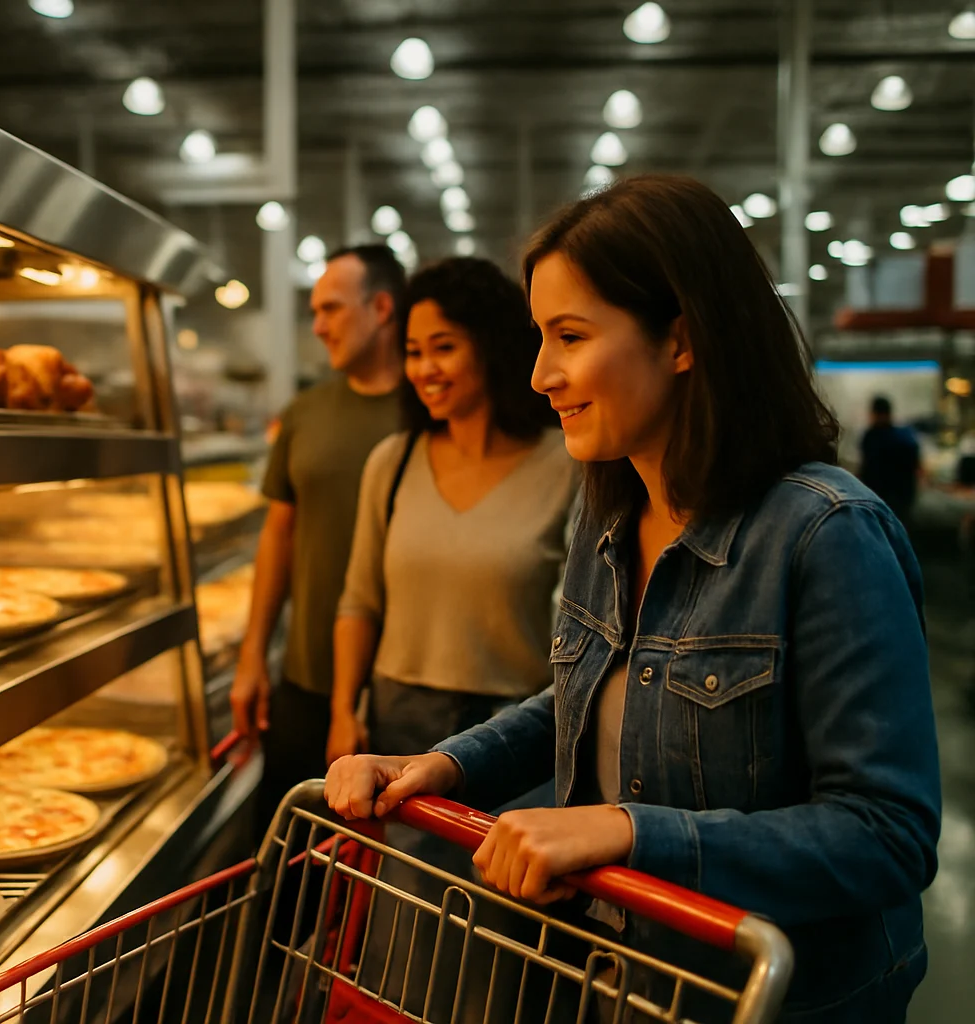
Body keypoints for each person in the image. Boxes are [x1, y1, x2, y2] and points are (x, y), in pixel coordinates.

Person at [325, 174, 940, 1022]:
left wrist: (628, 830)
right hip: (624, 980)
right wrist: (446, 764)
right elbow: (584, 697)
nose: (541, 374)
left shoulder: (824, 534)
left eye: (569, 336)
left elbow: (887, 834)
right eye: (539, 338)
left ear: (681, 339)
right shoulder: (610, 514)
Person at [328, 257, 577, 766]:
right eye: (414, 352)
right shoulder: (392, 462)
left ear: (492, 348)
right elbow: (359, 602)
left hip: (519, 722)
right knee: (403, 851)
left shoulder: (568, 463)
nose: (424, 370)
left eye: (444, 348)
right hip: (400, 716)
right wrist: (342, 710)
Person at [231, 244, 406, 833]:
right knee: (284, 868)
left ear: (382, 307)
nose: (318, 325)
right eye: (314, 311)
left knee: (384, 889)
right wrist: (254, 654)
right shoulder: (304, 413)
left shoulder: (429, 413)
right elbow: (278, 535)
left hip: (401, 695)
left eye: (331, 308)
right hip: (305, 681)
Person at [859, 395, 921, 523]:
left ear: (874, 413)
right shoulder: (905, 437)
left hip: (878, 497)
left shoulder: (871, 437)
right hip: (902, 498)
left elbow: (867, 468)